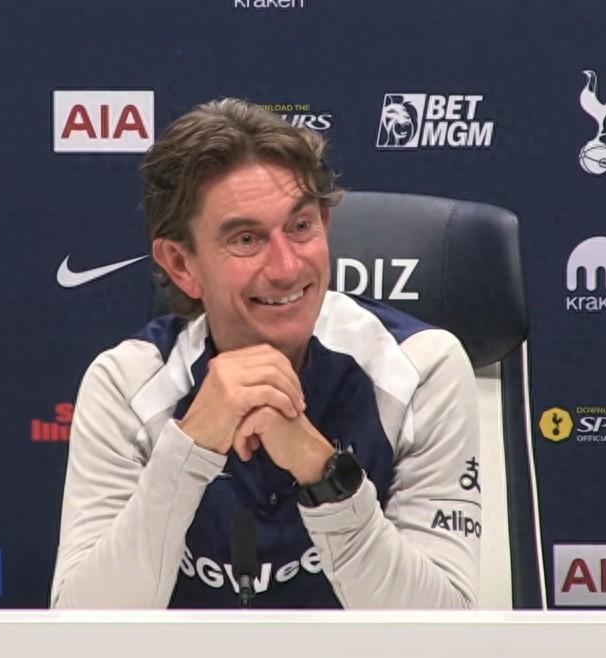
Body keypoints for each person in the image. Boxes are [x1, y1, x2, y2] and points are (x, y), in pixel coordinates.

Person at [50, 98, 480, 609]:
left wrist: (323, 473)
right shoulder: (125, 384)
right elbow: (83, 625)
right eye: (246, 239)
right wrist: (189, 448)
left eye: (300, 227)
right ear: (181, 264)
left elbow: (445, 629)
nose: (286, 268)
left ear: (325, 223)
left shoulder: (421, 368)